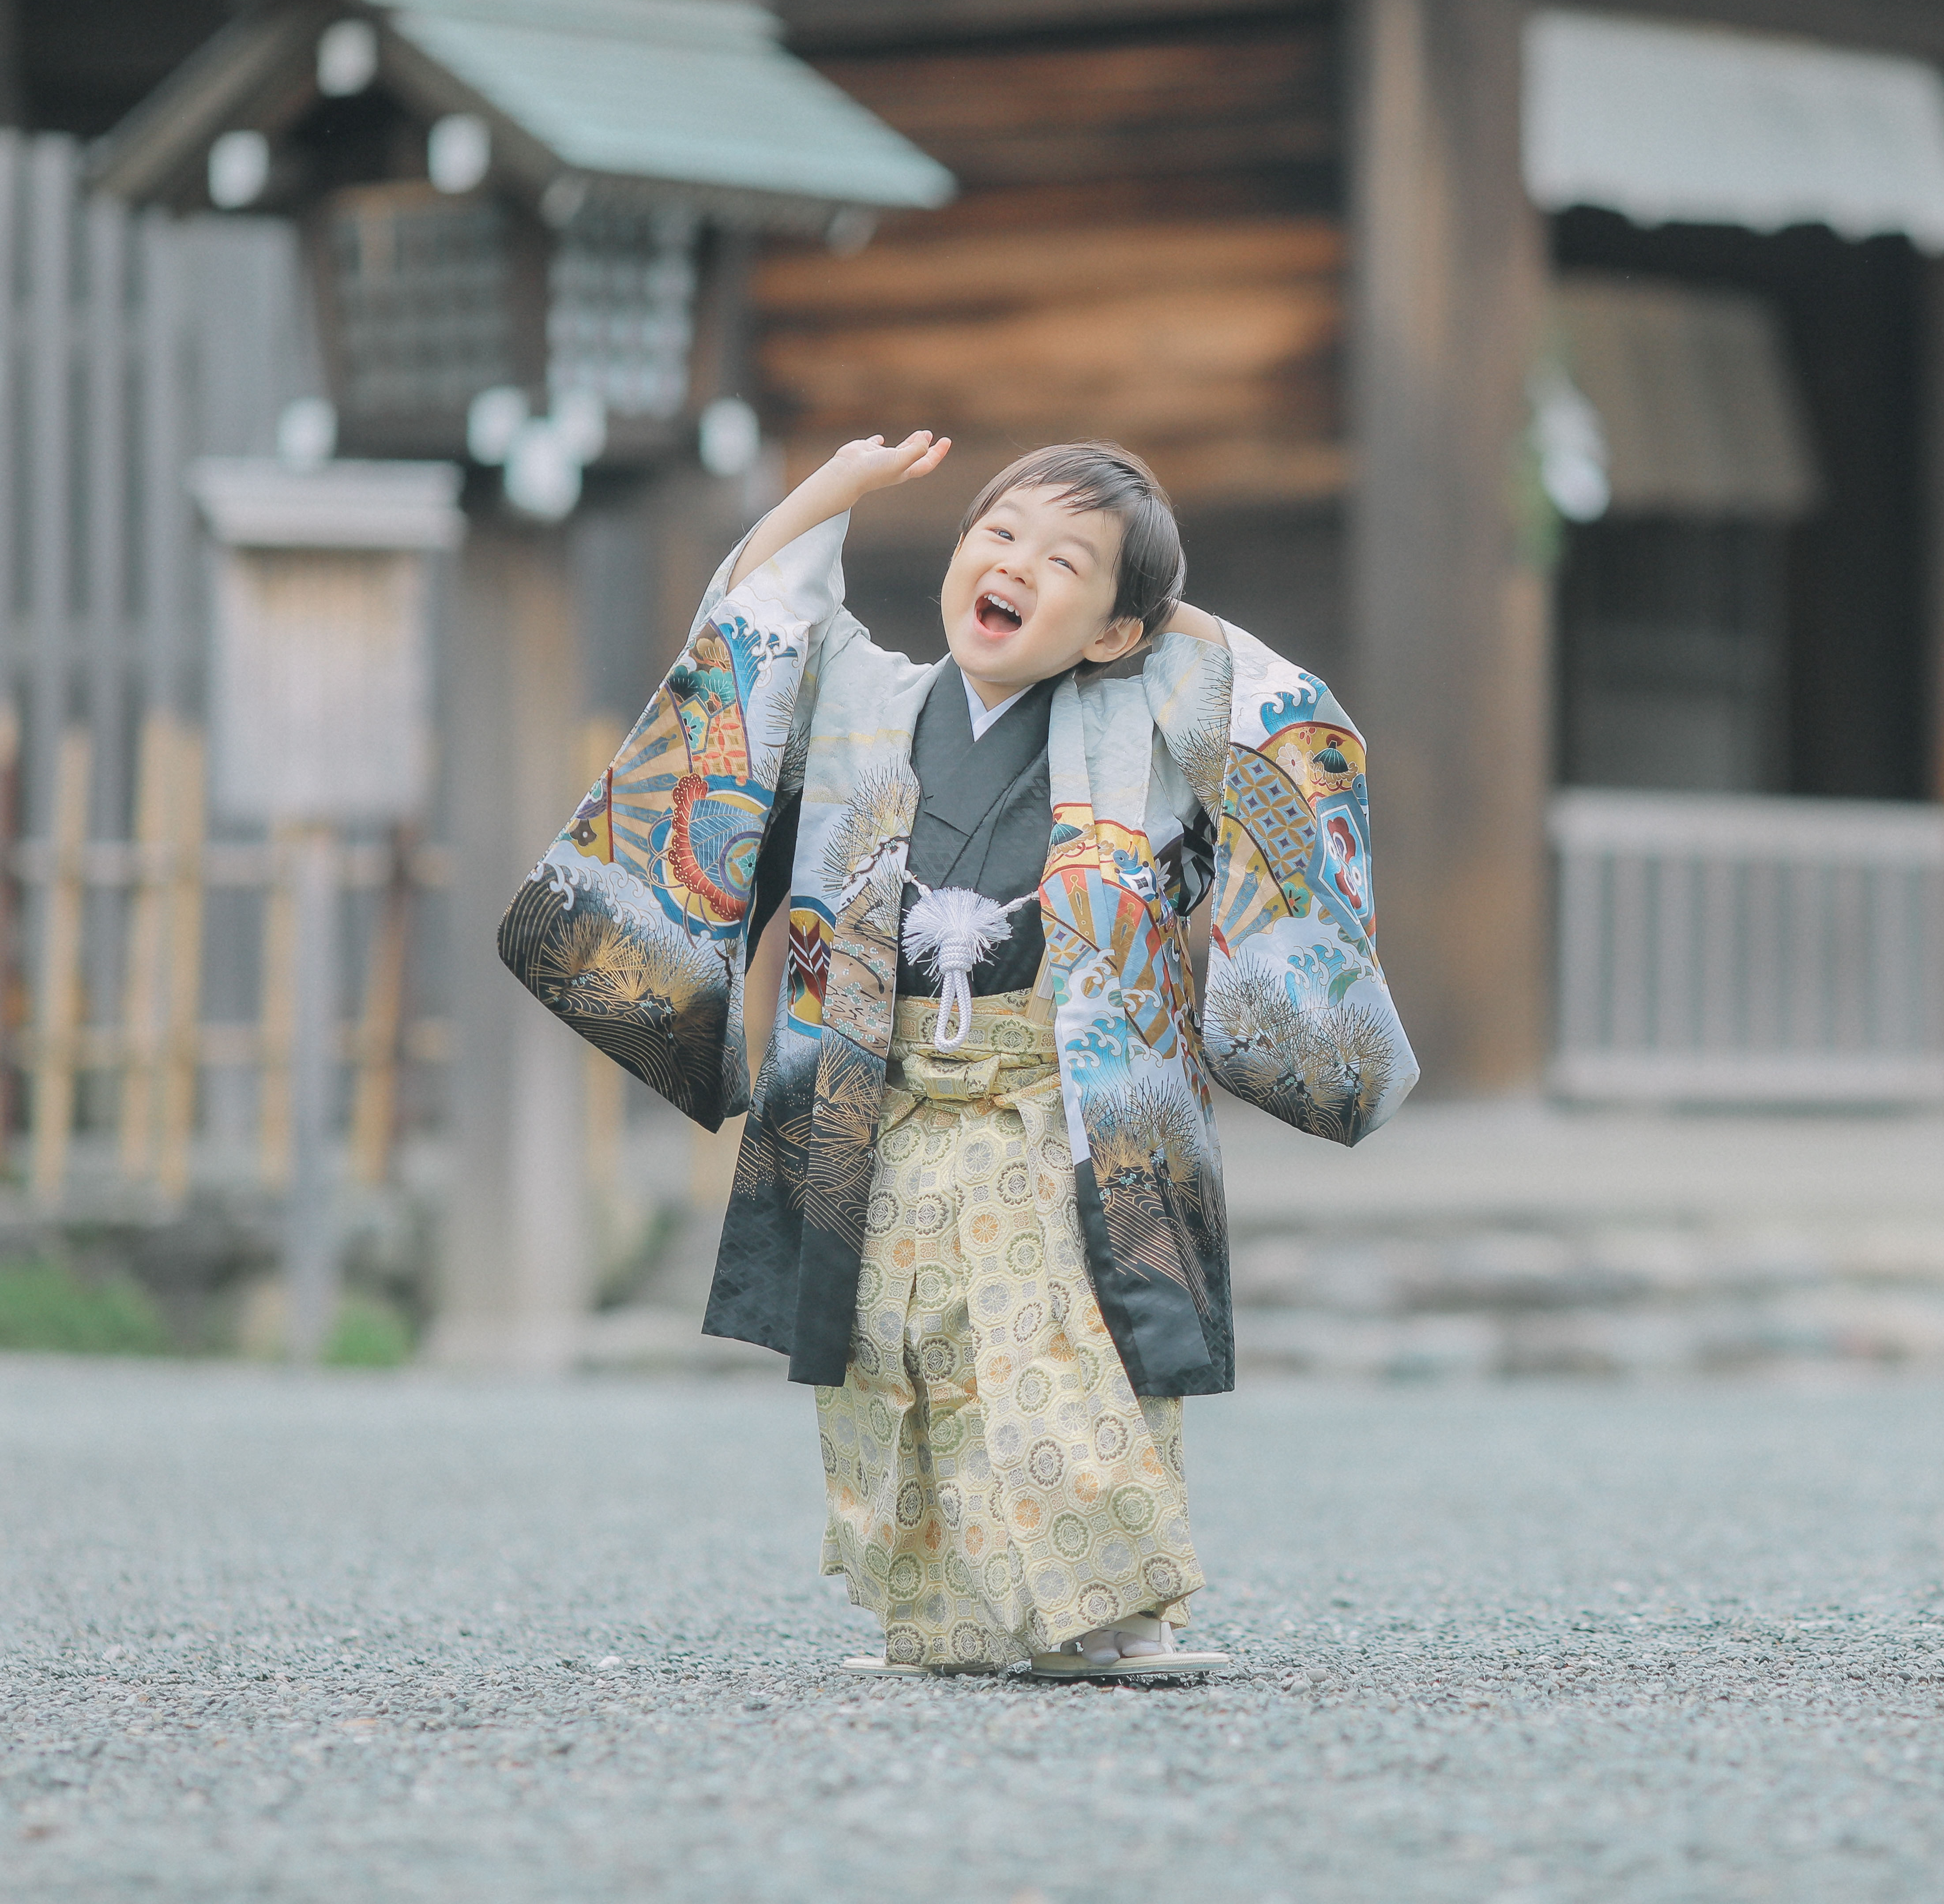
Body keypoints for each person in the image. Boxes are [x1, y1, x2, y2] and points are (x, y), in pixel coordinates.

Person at [499, 432, 1415, 1679]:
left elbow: (1288, 719)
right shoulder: (863, 697)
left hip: (1062, 1108)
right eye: (999, 534)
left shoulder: (1149, 719)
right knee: (901, 1348)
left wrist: (1156, 613)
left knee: (1063, 1343)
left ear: (1115, 631)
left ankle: (1113, 1611)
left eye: (1067, 563)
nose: (1018, 565)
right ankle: (942, 1618)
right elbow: (755, 619)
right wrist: (838, 487)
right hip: (876, 1100)